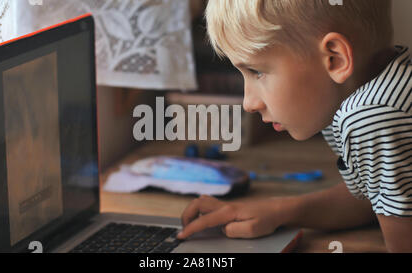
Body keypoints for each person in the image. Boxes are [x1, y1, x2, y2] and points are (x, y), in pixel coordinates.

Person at [176, 0, 412, 252]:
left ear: (335, 58)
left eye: (257, 72)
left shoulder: (370, 116)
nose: (248, 103)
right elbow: (371, 198)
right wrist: (279, 210)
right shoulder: (382, 87)